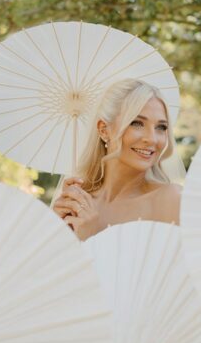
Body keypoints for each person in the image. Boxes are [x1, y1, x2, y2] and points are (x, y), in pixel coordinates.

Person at [52, 79, 181, 240]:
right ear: (104, 130)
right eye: (137, 123)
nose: (152, 139)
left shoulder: (171, 200)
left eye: (161, 127)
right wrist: (57, 231)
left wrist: (89, 239)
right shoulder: (78, 205)